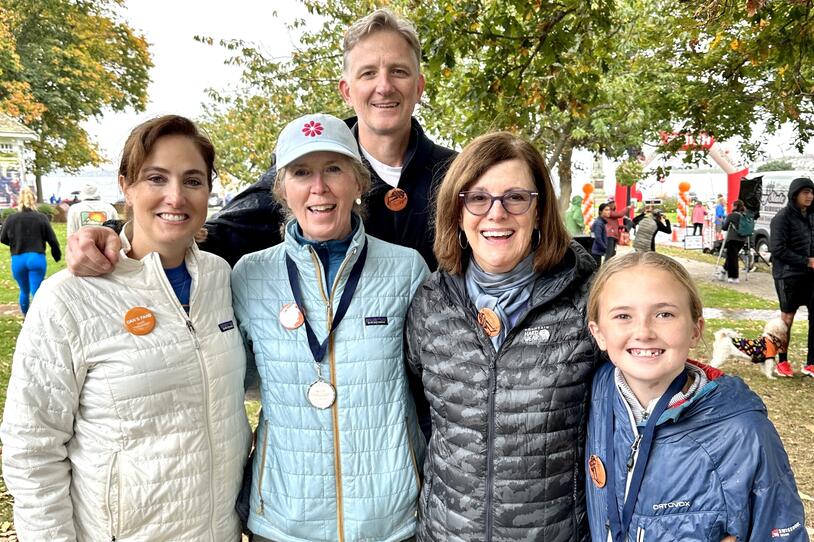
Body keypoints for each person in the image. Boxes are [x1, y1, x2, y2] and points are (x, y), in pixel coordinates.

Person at [0, 116, 251, 540]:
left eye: (193, 180)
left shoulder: (221, 278)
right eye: (156, 178)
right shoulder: (70, 298)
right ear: (126, 186)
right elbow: (32, 448)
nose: (176, 196)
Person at [231, 113, 428, 542]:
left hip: (390, 521)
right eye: (302, 172)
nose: (318, 188)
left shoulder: (406, 269)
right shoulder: (249, 276)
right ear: (282, 189)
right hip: (284, 519)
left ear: (359, 182)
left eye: (334, 169)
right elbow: (236, 378)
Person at [405, 132, 598, 541]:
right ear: (456, 212)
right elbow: (416, 410)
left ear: (539, 209)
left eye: (516, 197)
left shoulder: (587, 300)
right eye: (477, 198)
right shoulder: (430, 303)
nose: (496, 213)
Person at [585, 251, 807, 542]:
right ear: (599, 333)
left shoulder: (744, 434)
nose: (643, 332)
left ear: (695, 329)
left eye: (664, 314)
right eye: (623, 316)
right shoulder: (597, 396)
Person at [770, 176, 814, 378]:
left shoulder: (811, 216)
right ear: (795, 194)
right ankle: (783, 361)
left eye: (812, 192)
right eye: (806, 192)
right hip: (787, 275)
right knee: (787, 318)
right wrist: (806, 260)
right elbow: (777, 249)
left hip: (810, 275)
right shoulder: (782, 218)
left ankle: (811, 363)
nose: (810, 196)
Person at [0, 186, 61, 314]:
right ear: (34, 200)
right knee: (37, 291)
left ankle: (26, 319)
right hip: (36, 257)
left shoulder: (11, 218)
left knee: (24, 291)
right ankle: (40, 319)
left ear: (19, 200)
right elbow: (52, 239)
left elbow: (3, 238)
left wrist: (14, 244)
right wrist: (57, 255)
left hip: (18, 258)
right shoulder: (41, 218)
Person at [720, 199, 747, 283]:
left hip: (732, 238)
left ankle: (734, 277)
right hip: (742, 239)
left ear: (735, 206)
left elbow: (724, 227)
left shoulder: (732, 215)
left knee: (733, 257)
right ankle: (723, 271)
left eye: (733, 205)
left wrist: (722, 222)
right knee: (732, 256)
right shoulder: (745, 215)